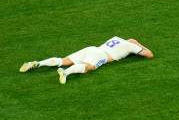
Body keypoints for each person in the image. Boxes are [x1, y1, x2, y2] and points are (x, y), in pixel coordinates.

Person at [19, 36, 154, 84]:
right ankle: (65, 73)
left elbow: (130, 39)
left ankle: (38, 63)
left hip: (91, 48)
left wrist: (133, 41)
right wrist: (139, 45)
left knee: (63, 60)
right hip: (101, 55)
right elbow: (149, 55)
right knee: (89, 67)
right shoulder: (130, 46)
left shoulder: (117, 38)